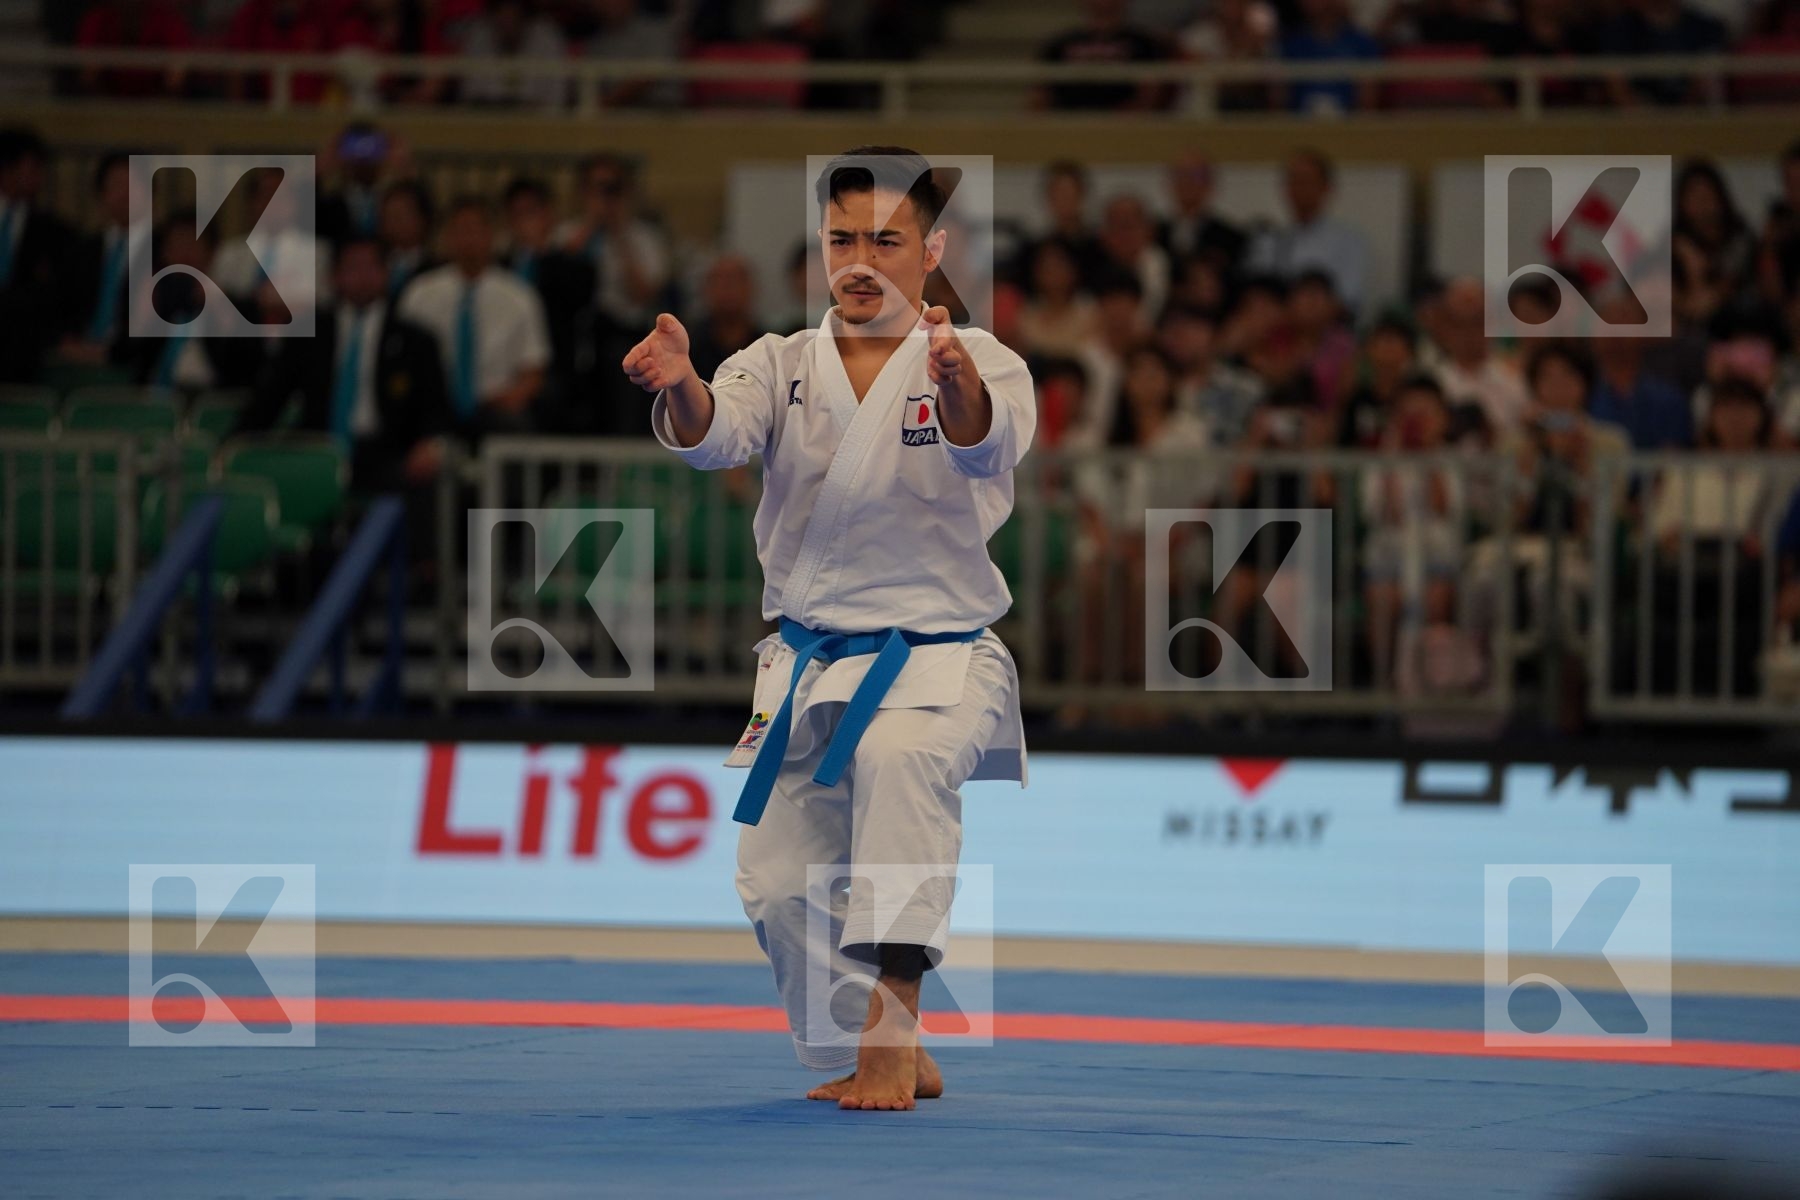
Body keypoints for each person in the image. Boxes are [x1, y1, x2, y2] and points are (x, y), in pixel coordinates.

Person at [620, 146, 1032, 1111]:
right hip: (809, 665)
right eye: (842, 238)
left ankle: (893, 1021)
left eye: (885, 240)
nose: (860, 258)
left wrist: (956, 377)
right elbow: (716, 433)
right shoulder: (778, 362)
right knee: (773, 887)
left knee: (898, 763)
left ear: (932, 250)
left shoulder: (982, 362)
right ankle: (875, 1037)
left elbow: (984, 440)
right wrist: (681, 382)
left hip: (940, 658)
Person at [237, 237, 452, 498]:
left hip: (388, 451)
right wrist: (235, 443)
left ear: (386, 274)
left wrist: (429, 443)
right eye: (352, 268)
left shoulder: (416, 339)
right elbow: (270, 397)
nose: (362, 276)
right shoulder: (309, 332)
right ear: (334, 277)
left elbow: (435, 406)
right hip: (318, 449)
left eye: (371, 267)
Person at [399, 196, 550, 439]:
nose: (469, 239)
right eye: (460, 230)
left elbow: (534, 369)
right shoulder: (420, 292)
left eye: (476, 230)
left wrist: (509, 399)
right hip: (432, 405)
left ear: (493, 236)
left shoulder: (519, 297)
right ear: (446, 236)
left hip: (495, 408)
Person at [1245, 149, 1371, 315]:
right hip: (1273, 328)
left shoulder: (1349, 241)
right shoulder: (1269, 240)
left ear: (1326, 188)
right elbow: (1256, 291)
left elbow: (1347, 300)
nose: (1300, 188)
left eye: (1307, 180)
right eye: (1293, 181)